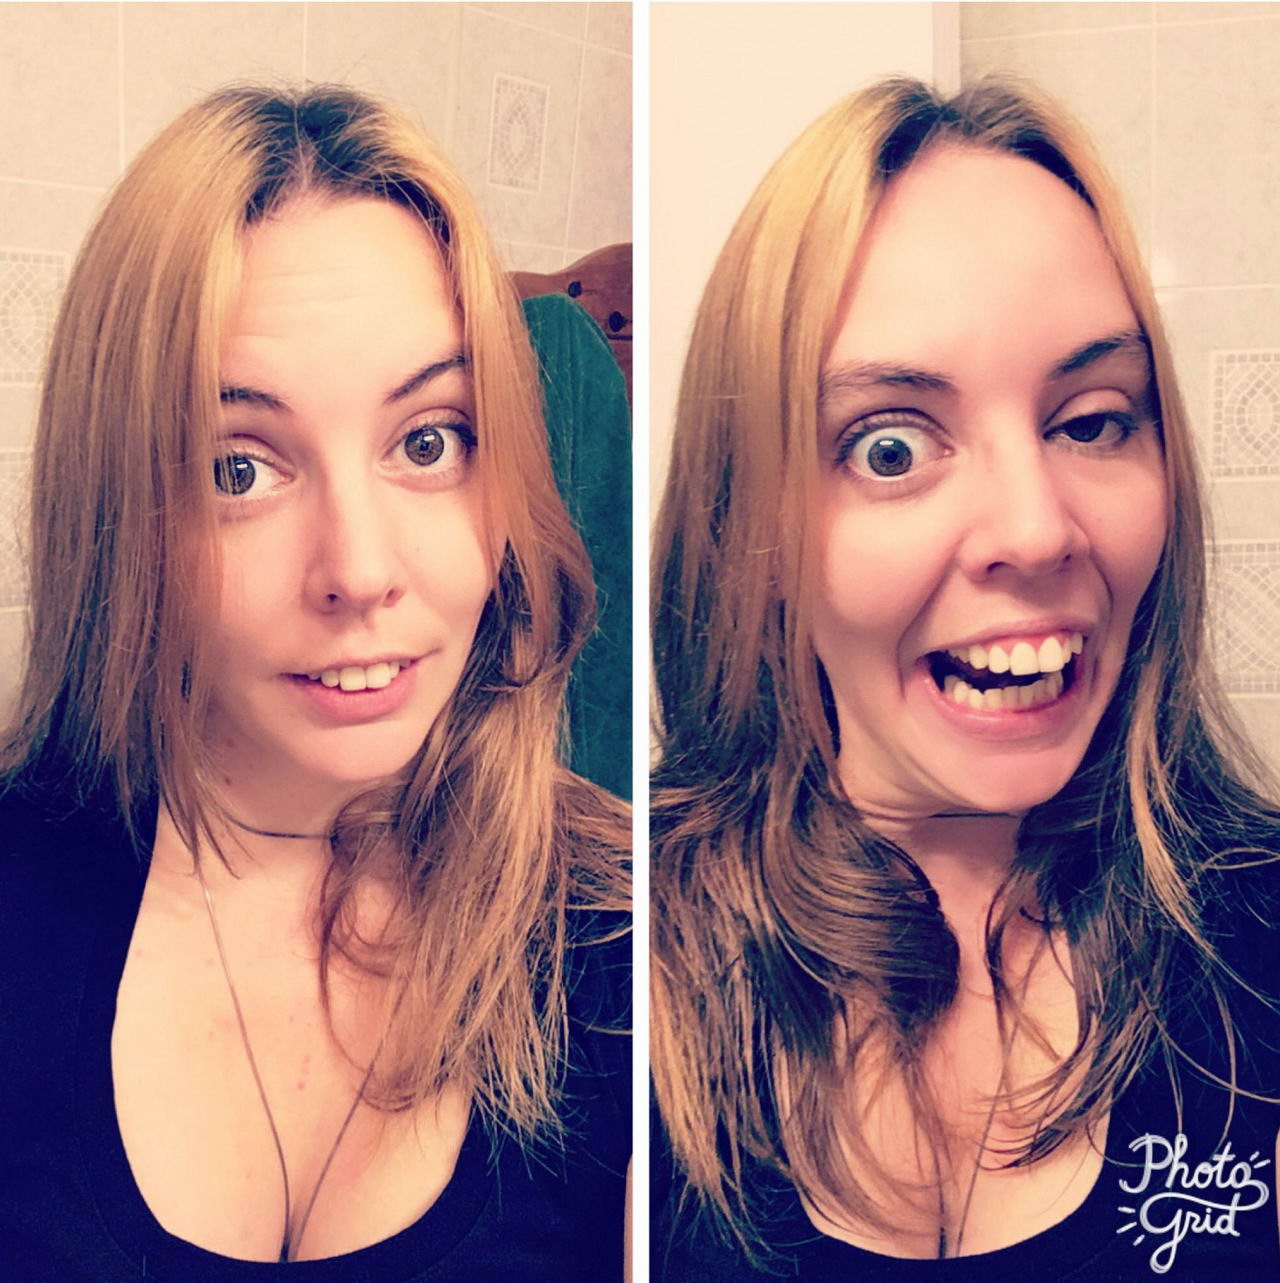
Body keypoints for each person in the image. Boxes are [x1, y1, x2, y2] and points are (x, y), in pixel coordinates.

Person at [651, 77, 1280, 1280]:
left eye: (1091, 420)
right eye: (889, 445)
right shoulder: (615, 975)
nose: (1036, 530)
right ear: (746, 528)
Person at [0, 84, 629, 1278]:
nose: (360, 569)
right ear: (120, 510)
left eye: (428, 441)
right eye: (239, 467)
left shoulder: (625, 951)